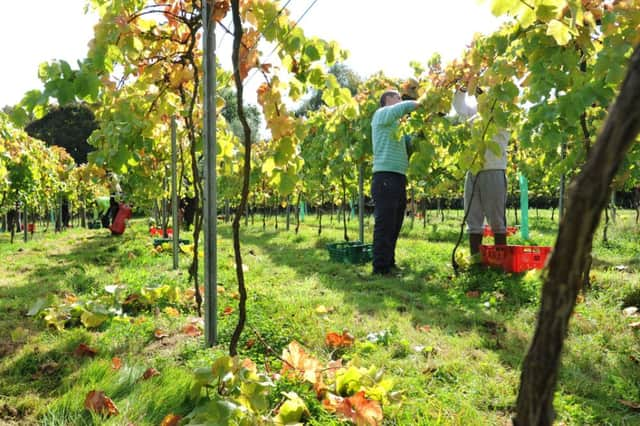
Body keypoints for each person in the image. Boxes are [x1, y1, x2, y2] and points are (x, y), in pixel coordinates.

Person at [452, 87, 510, 261]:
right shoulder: (473, 115)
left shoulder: (502, 116)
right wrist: (462, 90)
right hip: (473, 171)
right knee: (473, 217)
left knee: (496, 219)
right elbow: (458, 106)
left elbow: (491, 114)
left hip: (494, 170)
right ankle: (476, 260)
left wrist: (480, 91)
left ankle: (500, 261)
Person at [370, 88, 421, 275]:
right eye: (397, 97)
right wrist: (420, 103)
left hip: (398, 176)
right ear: (387, 100)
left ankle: (389, 262)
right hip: (385, 177)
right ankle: (380, 267)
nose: (400, 100)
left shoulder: (397, 126)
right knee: (385, 224)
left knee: (395, 223)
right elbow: (401, 108)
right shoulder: (381, 114)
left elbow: (410, 142)